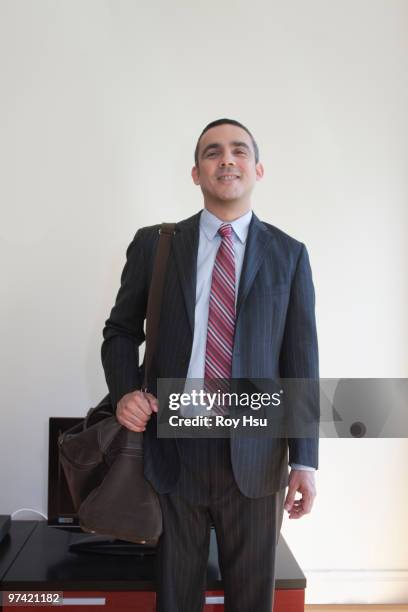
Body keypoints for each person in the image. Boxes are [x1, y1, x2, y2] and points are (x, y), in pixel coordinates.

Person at [101, 118, 319, 612]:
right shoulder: (156, 245)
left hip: (259, 456)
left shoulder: (290, 255)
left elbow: (300, 365)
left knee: (251, 600)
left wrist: (305, 459)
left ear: (257, 169)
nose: (226, 160)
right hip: (175, 450)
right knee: (176, 598)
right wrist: (124, 393)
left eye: (239, 151)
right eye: (212, 152)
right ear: (196, 173)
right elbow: (119, 332)